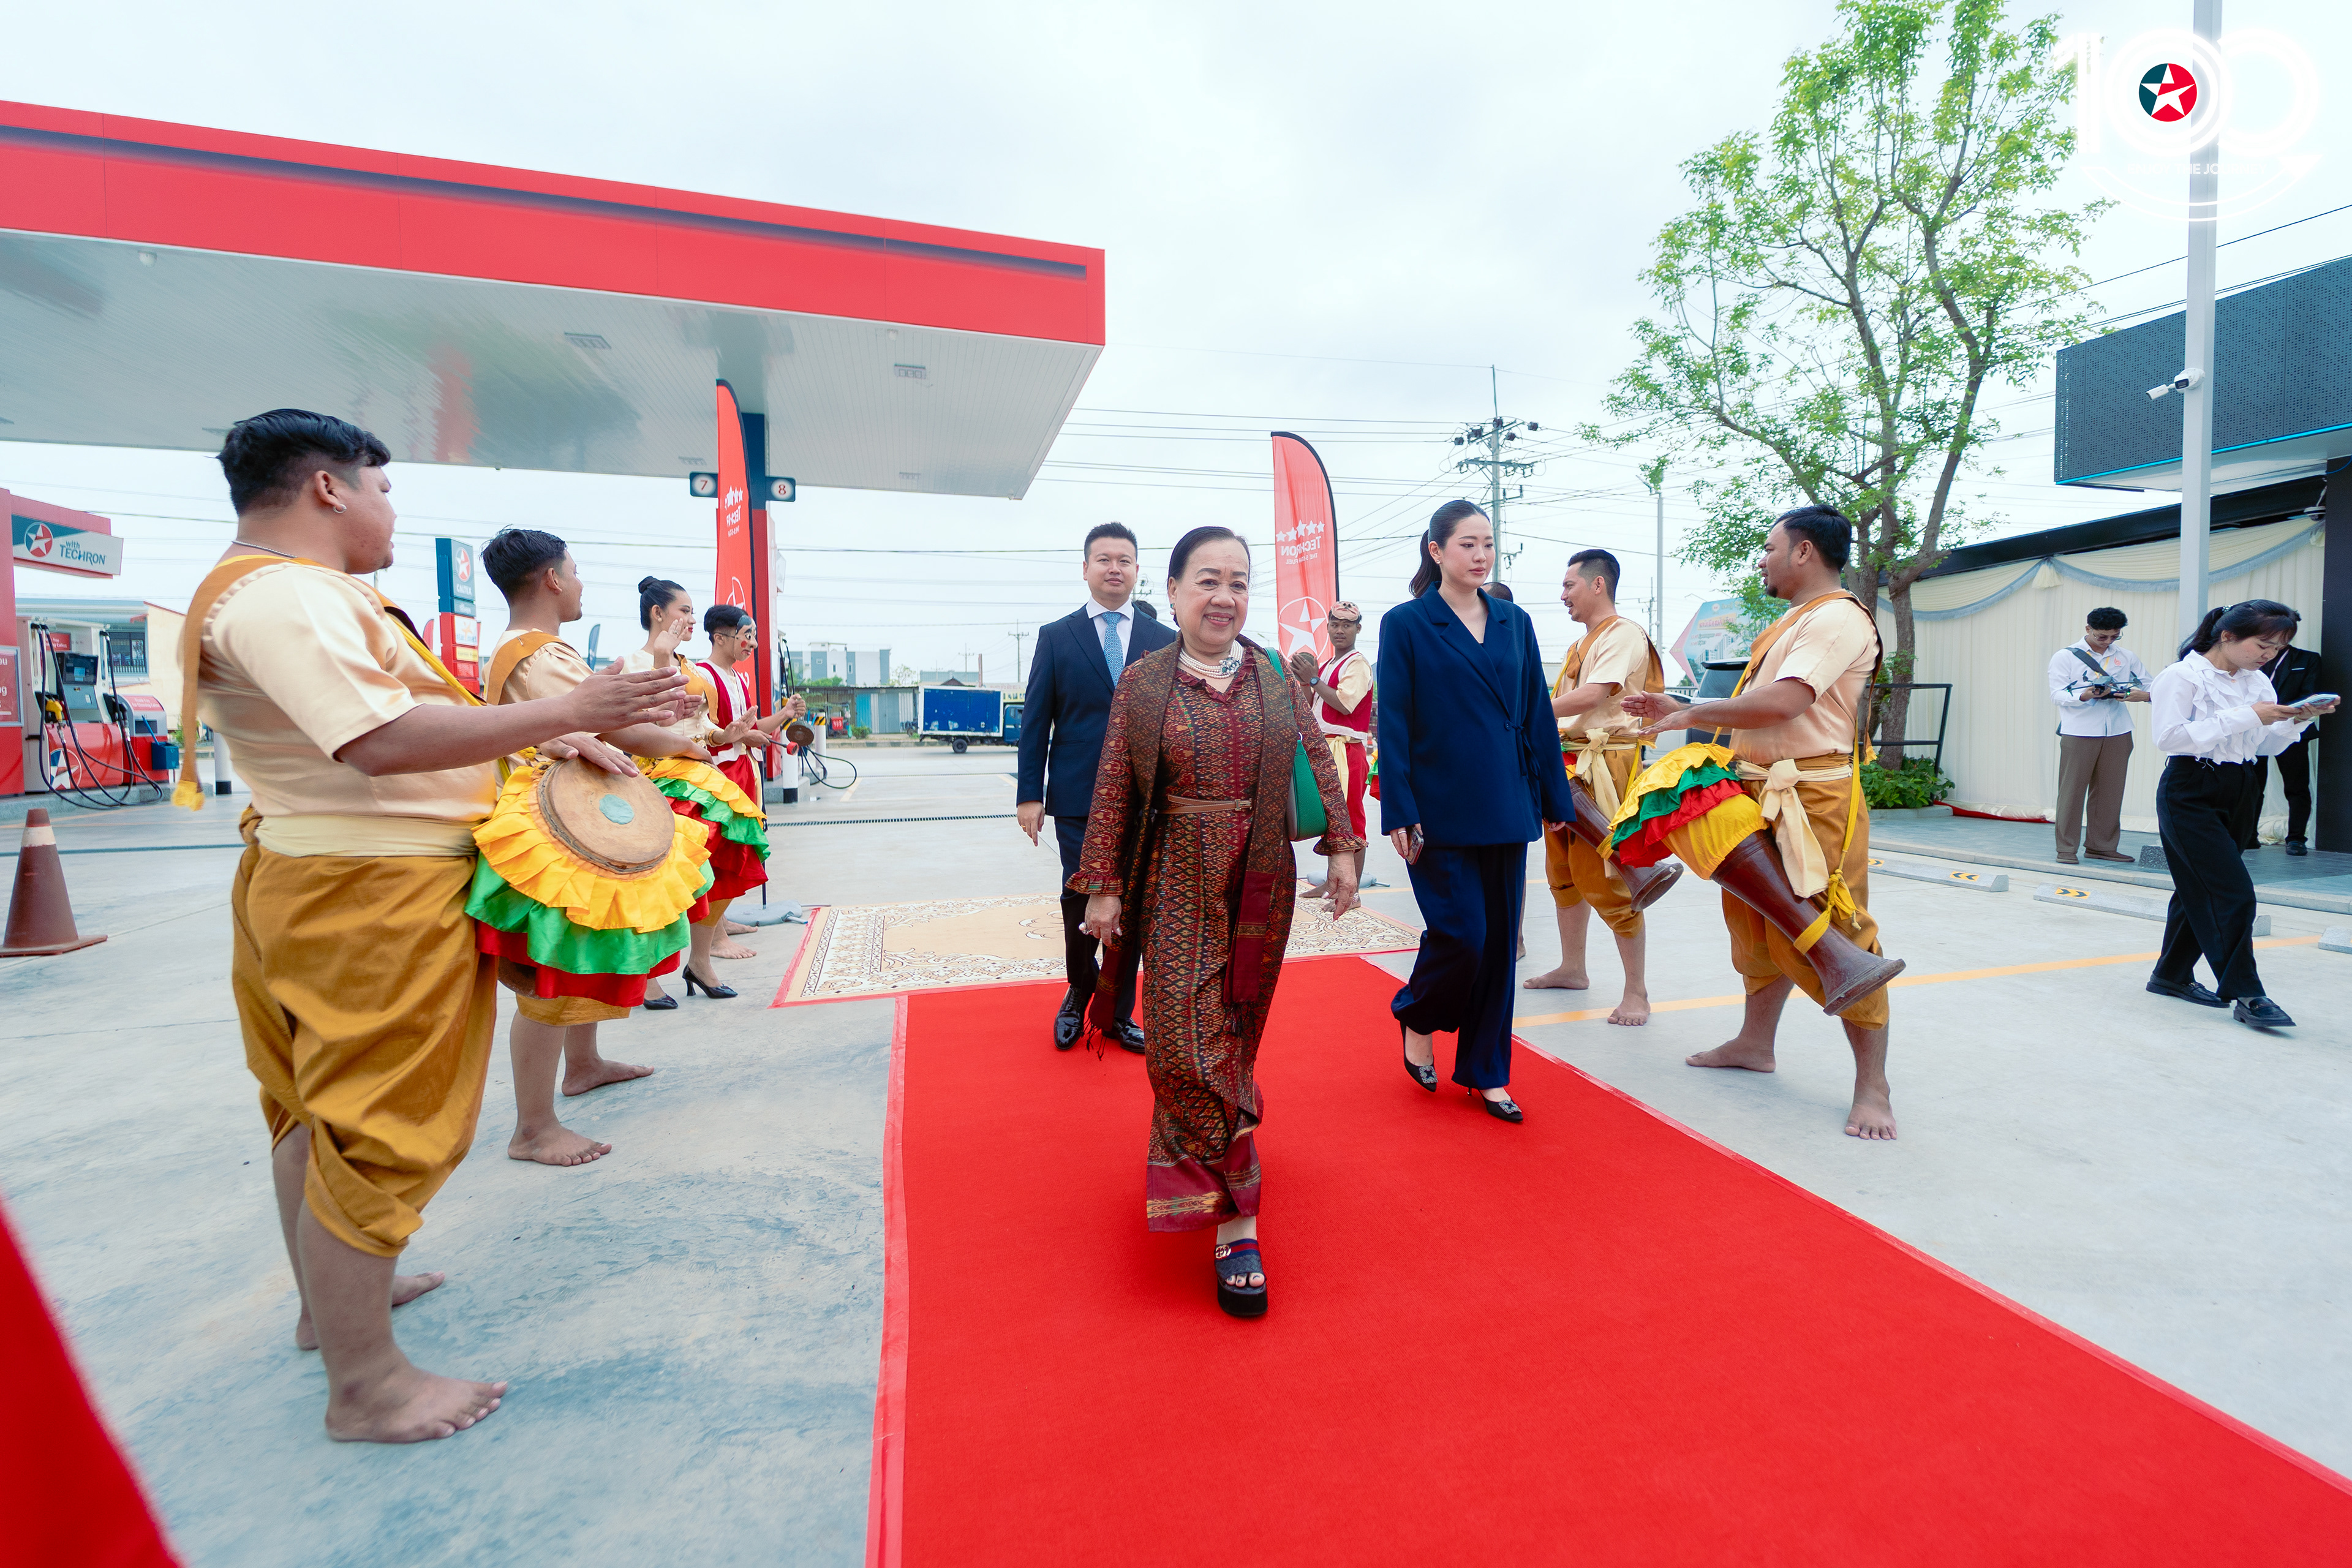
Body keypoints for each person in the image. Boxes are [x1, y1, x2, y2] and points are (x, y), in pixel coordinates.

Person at [179, 410, 682, 1441]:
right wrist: (568, 712)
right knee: (382, 1126)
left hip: (323, 874)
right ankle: (368, 1385)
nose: (390, 510)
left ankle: (332, 1312)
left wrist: (551, 737)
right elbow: (378, 739)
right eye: (383, 488)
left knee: (315, 1113)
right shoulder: (289, 594)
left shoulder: (270, 590)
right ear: (328, 488)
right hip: (370, 895)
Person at [1074, 525, 1360, 1316]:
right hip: (1175, 881)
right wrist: (1102, 887)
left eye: (1238, 582)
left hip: (1261, 882)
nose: (1224, 597)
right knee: (1181, 1048)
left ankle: (1224, 1207)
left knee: (1233, 1035)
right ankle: (1237, 1202)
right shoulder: (1145, 683)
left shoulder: (1271, 674)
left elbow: (1317, 755)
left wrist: (1343, 847)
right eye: (1207, 580)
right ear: (1171, 593)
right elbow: (1113, 784)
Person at [1622, 505, 1898, 1140]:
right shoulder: (1798, 619)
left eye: (1771, 548)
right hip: (1758, 785)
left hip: (1812, 798)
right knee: (1756, 925)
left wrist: (1692, 716)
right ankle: (1755, 1042)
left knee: (1834, 930)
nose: (1763, 560)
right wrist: (1685, 705)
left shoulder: (1836, 618)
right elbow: (1759, 708)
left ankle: (1873, 1087)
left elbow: (1785, 702)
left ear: (1804, 552)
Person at [479, 527, 695, 1166]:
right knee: (550, 976)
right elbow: (629, 732)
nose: (579, 584)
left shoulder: (528, 651)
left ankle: (584, 1064)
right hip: (558, 832)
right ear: (551, 579)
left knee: (576, 954)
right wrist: (684, 736)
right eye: (573, 572)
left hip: (559, 822)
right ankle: (533, 1127)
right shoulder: (542, 656)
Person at [1377, 500, 1575, 1125]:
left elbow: (1537, 711)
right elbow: (1394, 721)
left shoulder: (1515, 621)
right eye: (1467, 544)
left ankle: (1488, 1072)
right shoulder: (1407, 623)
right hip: (1437, 807)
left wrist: (1555, 798)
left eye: (1488, 543)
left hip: (1507, 800)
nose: (1481, 555)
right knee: (1463, 935)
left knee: (1498, 947)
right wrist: (1399, 808)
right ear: (1436, 550)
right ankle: (1418, 1013)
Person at [1016, 522, 1178, 1051]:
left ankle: (1116, 1011)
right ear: (1085, 568)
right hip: (1078, 795)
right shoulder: (1057, 636)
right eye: (1104, 559)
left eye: (1124, 560)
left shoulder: (1164, 640)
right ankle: (1079, 989)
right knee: (1079, 895)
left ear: (1137, 571)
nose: (1114, 568)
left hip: (1147, 800)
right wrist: (1030, 794)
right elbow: (1036, 722)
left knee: (1132, 902)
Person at [2144, 601, 2335, 1027]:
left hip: (2243, 786)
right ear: (2227, 636)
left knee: (2200, 887)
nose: (2269, 655)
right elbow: (2170, 738)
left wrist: (2297, 720)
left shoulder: (2258, 681)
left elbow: (2264, 745)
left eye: (2278, 648)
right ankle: (2248, 994)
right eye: (2263, 645)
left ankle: (2171, 975)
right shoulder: (2181, 676)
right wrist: (2246, 715)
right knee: (2232, 893)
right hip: (2190, 789)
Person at [1525, 548, 1665, 1025]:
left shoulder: (1623, 633)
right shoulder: (1580, 644)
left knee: (1607, 878)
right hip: (1568, 764)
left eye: (1570, 585)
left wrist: (1524, 711)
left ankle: (1637, 992)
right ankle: (1573, 968)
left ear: (1598, 584)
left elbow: (1592, 696)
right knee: (1563, 873)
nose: (1563, 595)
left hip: (1604, 765)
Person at [620, 579, 772, 1006]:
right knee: (665, 874)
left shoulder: (689, 666)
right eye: (684, 611)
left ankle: (700, 961)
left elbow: (702, 726)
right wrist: (662, 658)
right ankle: (648, 973)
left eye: (692, 611)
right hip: (660, 776)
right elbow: (642, 726)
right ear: (658, 614)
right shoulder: (633, 663)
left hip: (699, 773)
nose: (692, 619)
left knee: (732, 850)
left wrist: (728, 733)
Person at [694, 604, 805, 956]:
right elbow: (702, 731)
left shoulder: (738, 679)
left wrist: (786, 714)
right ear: (720, 638)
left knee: (737, 852)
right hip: (720, 774)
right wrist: (743, 737)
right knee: (722, 853)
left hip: (744, 772)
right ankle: (713, 939)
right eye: (747, 636)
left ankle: (720, 924)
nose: (753, 644)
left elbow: (752, 729)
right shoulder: (703, 677)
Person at [2048, 607, 2151, 865]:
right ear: (2088, 629)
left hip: (2118, 729)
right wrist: (2084, 695)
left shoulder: (2126, 656)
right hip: (2079, 730)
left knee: (2111, 792)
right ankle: (2066, 848)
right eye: (2102, 636)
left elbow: (2149, 685)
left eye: (2115, 637)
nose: (2108, 642)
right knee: (2072, 791)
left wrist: (2141, 696)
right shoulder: (2065, 656)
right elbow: (2057, 694)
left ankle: (2102, 846)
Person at [1287, 600, 1372, 893]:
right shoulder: (1327, 665)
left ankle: (1352, 890)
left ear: (1358, 629)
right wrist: (1304, 682)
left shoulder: (1357, 663)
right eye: (1335, 625)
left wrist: (1313, 678)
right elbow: (1311, 708)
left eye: (1347, 625)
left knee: (1350, 818)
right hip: (1329, 749)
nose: (1340, 631)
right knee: (1334, 818)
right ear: (1327, 628)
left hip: (1347, 750)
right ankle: (1333, 883)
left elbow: (1344, 705)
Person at [2233, 638, 2322, 854]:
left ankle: (2297, 839)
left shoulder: (2307, 659)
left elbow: (2309, 694)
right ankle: (2249, 836)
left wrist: (2283, 715)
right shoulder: (2253, 659)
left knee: (2297, 786)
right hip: (2256, 726)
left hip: (2291, 727)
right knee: (2253, 785)